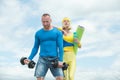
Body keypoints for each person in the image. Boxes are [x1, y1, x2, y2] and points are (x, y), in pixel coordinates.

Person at [24, 13, 64, 80]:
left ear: (50, 20)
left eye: (47, 22)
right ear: (41, 21)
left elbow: (60, 47)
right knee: (39, 78)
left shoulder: (58, 33)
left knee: (60, 78)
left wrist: (60, 60)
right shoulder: (38, 33)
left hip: (55, 59)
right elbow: (35, 47)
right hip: (42, 59)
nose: (45, 24)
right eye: (43, 22)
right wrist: (30, 58)